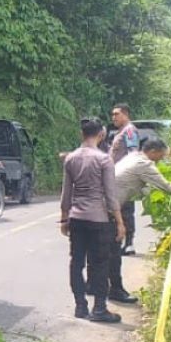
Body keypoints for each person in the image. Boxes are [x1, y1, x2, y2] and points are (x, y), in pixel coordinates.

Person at [107, 135, 171, 303]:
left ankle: (94, 286)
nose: (160, 160)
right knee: (113, 251)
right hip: (110, 209)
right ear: (153, 152)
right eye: (160, 156)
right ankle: (116, 290)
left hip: (104, 203)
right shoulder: (144, 164)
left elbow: (140, 188)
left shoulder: (132, 157)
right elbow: (167, 187)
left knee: (102, 249)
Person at [60, 118, 125, 323]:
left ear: (82, 134)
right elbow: (110, 194)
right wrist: (120, 222)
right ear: (101, 135)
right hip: (98, 219)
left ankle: (80, 306)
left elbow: (66, 194)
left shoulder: (71, 158)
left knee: (76, 262)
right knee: (99, 264)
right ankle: (99, 309)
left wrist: (64, 219)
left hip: (76, 219)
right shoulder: (104, 159)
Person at [109, 103, 140, 254]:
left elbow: (132, 153)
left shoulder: (129, 131)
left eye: (116, 114)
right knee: (118, 210)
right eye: (112, 114)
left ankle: (129, 243)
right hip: (116, 178)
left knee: (126, 210)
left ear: (125, 114)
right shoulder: (119, 132)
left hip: (125, 178)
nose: (113, 117)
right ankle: (121, 242)